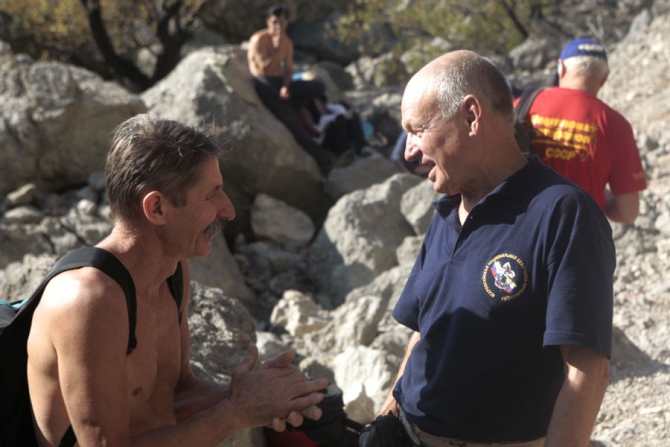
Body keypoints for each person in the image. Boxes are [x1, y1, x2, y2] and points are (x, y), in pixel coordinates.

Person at [27, 115, 329, 446]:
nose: (228, 210)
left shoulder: (172, 271)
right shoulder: (89, 302)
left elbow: (177, 391)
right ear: (156, 208)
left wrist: (257, 395)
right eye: (211, 195)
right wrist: (237, 412)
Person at [377, 51, 615, 447]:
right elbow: (424, 333)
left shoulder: (563, 213)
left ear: (471, 116)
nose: (408, 151)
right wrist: (385, 420)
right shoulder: (446, 212)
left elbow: (586, 373)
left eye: (417, 129)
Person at [518, 37, 647, 224]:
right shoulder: (617, 125)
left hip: (519, 230)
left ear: (561, 68)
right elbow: (627, 212)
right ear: (604, 79)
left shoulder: (522, 107)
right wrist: (599, 196)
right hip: (580, 238)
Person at [248, 5, 340, 174]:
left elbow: (288, 70)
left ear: (287, 23)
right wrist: (276, 47)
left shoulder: (287, 43)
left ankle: (291, 104)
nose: (278, 27)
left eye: (282, 23)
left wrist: (286, 86)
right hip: (263, 82)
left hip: (279, 83)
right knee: (293, 123)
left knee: (318, 86)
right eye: (275, 22)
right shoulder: (258, 40)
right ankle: (324, 157)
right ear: (268, 21)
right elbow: (263, 69)